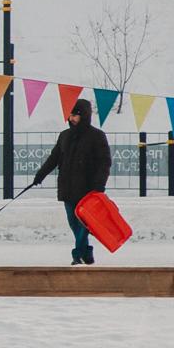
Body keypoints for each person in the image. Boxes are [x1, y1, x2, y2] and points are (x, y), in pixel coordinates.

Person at [31, 97, 112, 265]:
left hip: (88, 190)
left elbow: (105, 162)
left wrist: (99, 185)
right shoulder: (64, 136)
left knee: (84, 224)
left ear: (85, 116)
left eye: (75, 115)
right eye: (70, 115)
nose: (72, 118)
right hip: (67, 188)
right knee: (74, 224)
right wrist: (40, 175)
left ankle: (78, 255)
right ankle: (87, 253)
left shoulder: (97, 136)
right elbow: (54, 159)